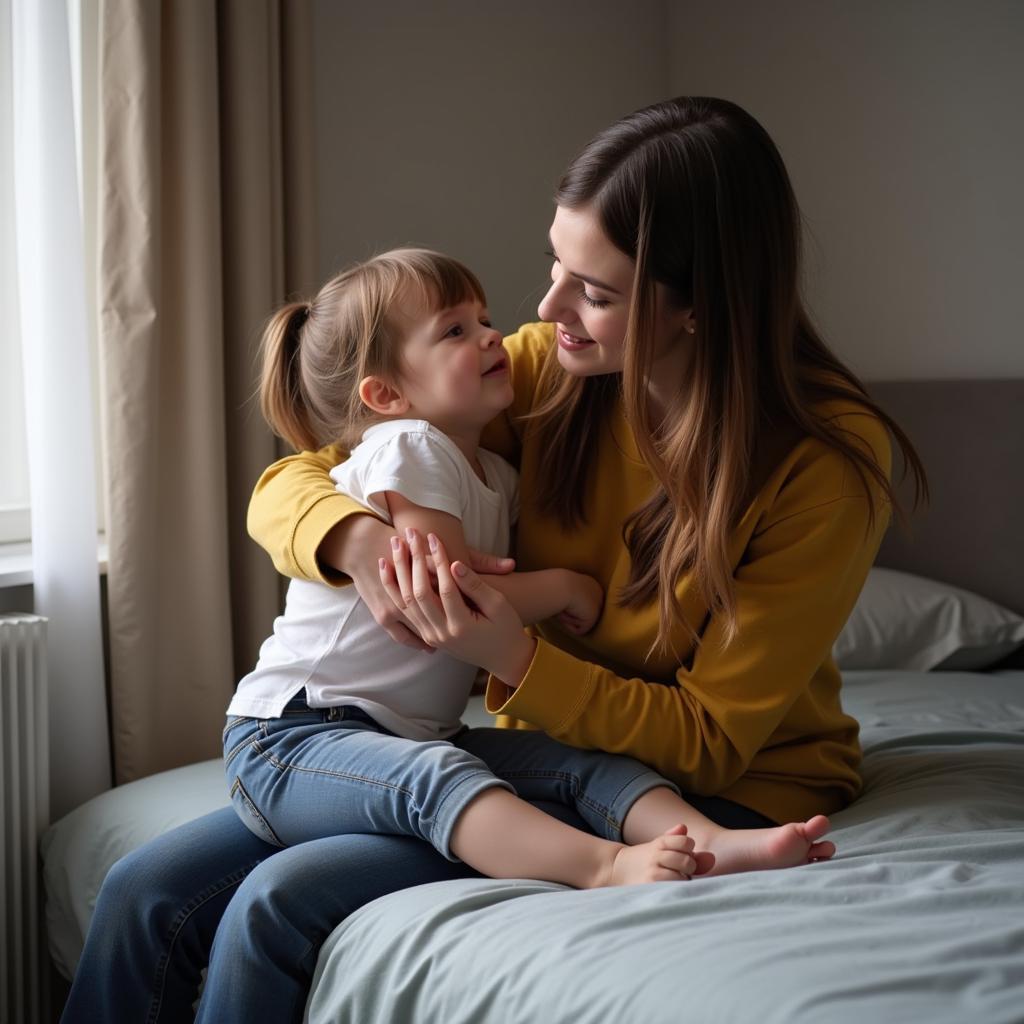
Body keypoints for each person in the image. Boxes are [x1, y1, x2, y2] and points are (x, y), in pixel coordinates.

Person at [61, 96, 926, 1024]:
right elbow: (308, 472)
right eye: (556, 268)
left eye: (594, 291)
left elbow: (712, 738)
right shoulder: (557, 370)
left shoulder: (822, 460)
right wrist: (361, 543)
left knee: (276, 904)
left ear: (695, 307)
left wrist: (510, 656)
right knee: (145, 891)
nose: (548, 309)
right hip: (539, 753)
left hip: (723, 787)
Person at [225, 245, 818, 891]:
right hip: (294, 735)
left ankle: (711, 842)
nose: (490, 335)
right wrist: (568, 589)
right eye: (456, 331)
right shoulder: (409, 445)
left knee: (580, 763)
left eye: (481, 319)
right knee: (442, 781)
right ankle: (605, 866)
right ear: (385, 394)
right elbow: (452, 599)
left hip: (410, 733)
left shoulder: (496, 474)